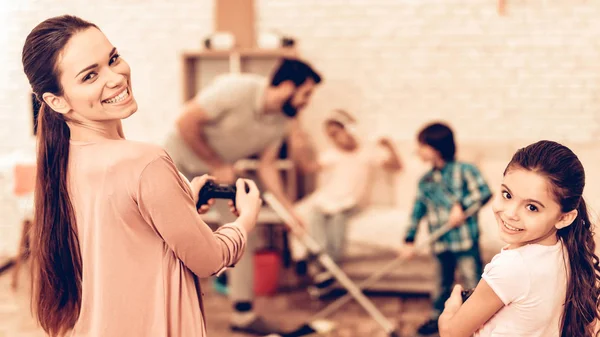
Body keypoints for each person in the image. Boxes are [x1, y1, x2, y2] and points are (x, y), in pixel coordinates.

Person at [22, 15, 262, 337]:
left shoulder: (63, 161)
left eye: (113, 59)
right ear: (56, 101)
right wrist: (245, 219)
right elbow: (210, 260)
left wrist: (181, 202)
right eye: (90, 76)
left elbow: (123, 234)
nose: (116, 77)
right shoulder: (145, 162)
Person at [163, 56, 322, 334]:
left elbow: (267, 166)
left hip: (219, 173)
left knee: (244, 231)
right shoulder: (237, 90)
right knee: (166, 232)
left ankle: (243, 315)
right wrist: (215, 163)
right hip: (179, 162)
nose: (306, 102)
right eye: (305, 94)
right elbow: (185, 122)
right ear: (287, 86)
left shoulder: (282, 122)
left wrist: (289, 210)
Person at [439, 140, 600, 337]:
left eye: (532, 207)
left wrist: (450, 309)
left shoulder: (511, 266)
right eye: (507, 195)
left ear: (564, 217)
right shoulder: (565, 249)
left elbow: (452, 333)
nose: (510, 213)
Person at [399, 122, 492, 336]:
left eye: (421, 146)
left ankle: (478, 319)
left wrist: (462, 206)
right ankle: (436, 318)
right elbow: (417, 211)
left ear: (436, 147)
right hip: (440, 243)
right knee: (441, 284)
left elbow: (485, 191)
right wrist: (409, 239)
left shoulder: (465, 171)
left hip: (465, 241)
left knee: (472, 280)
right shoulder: (426, 181)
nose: (418, 151)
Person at [300, 109, 402, 298]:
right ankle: (320, 261)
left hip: (351, 203)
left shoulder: (367, 153)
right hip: (329, 199)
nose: (335, 139)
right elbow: (307, 167)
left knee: (337, 220)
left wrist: (389, 145)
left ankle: (328, 268)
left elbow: (396, 166)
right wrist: (301, 142)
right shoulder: (330, 155)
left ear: (350, 129)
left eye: (337, 132)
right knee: (315, 215)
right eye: (331, 136)